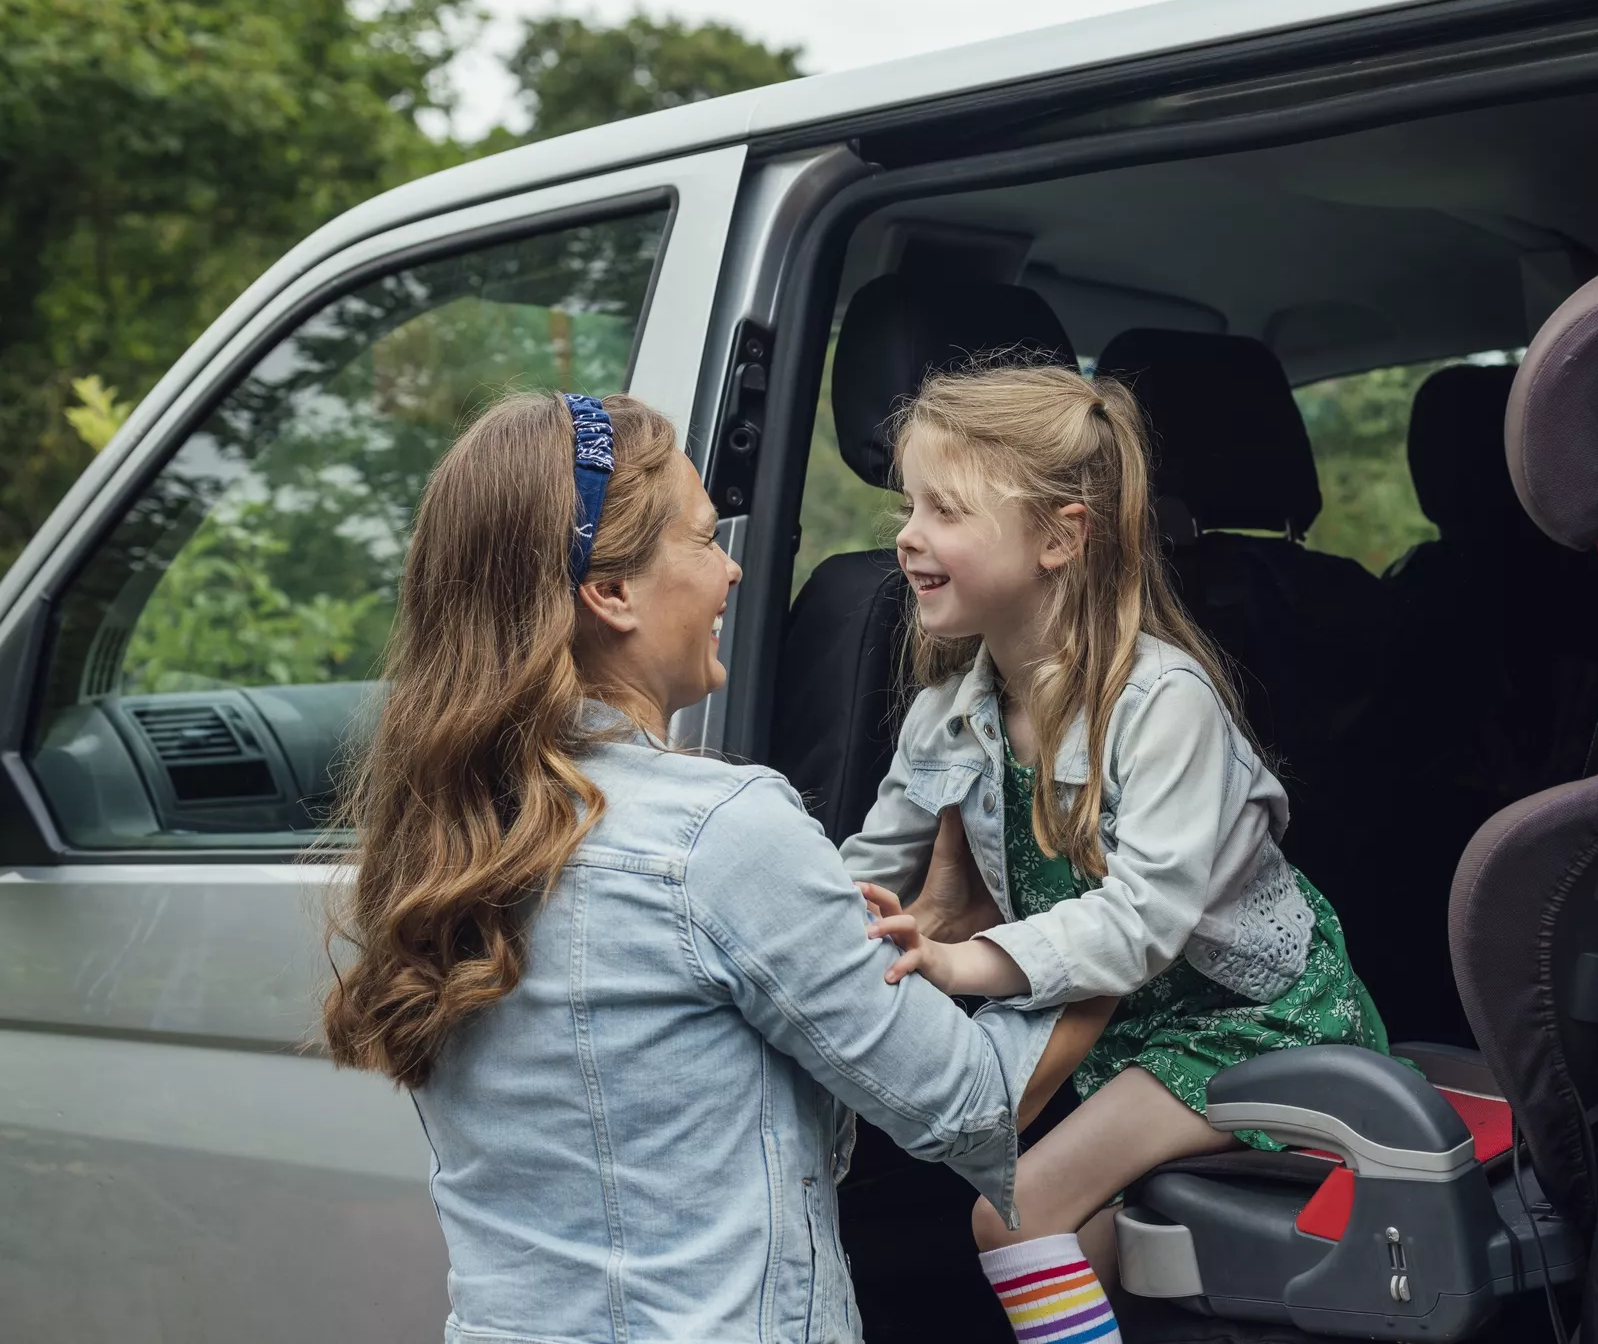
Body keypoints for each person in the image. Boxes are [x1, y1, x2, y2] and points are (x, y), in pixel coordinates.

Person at [320, 390, 1104, 1344]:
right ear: (611, 593)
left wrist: (920, 933)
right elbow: (972, 1101)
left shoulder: (443, 834)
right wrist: (1126, 930)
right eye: (701, 539)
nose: (733, 567)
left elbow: (686, 1096)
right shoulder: (716, 833)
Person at [842, 366, 1391, 1344]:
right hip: (1132, 1027)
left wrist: (963, 963)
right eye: (908, 506)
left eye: (945, 510)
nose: (907, 535)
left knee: (1013, 1214)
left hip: (1253, 1021)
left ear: (1060, 538)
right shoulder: (949, 713)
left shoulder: (1162, 703)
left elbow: (1143, 920)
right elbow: (868, 868)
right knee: (1091, 1252)